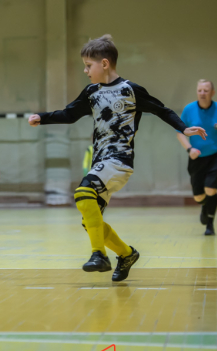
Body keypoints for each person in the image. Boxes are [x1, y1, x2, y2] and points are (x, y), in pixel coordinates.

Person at [28, 35, 206, 282]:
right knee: (89, 219)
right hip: (101, 162)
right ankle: (127, 254)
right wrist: (43, 117)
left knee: (83, 191)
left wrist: (184, 128)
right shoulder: (91, 92)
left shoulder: (131, 90)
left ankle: (99, 255)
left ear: (104, 64)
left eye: (88, 65)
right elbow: (69, 114)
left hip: (119, 160)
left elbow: (162, 110)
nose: (85, 70)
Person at [176, 79, 217, 235]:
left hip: (215, 157)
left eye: (206, 90)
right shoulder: (189, 109)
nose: (202, 93)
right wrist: (189, 149)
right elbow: (180, 132)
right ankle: (205, 206)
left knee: (211, 189)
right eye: (200, 90)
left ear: (212, 93)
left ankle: (210, 225)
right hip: (196, 158)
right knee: (199, 197)